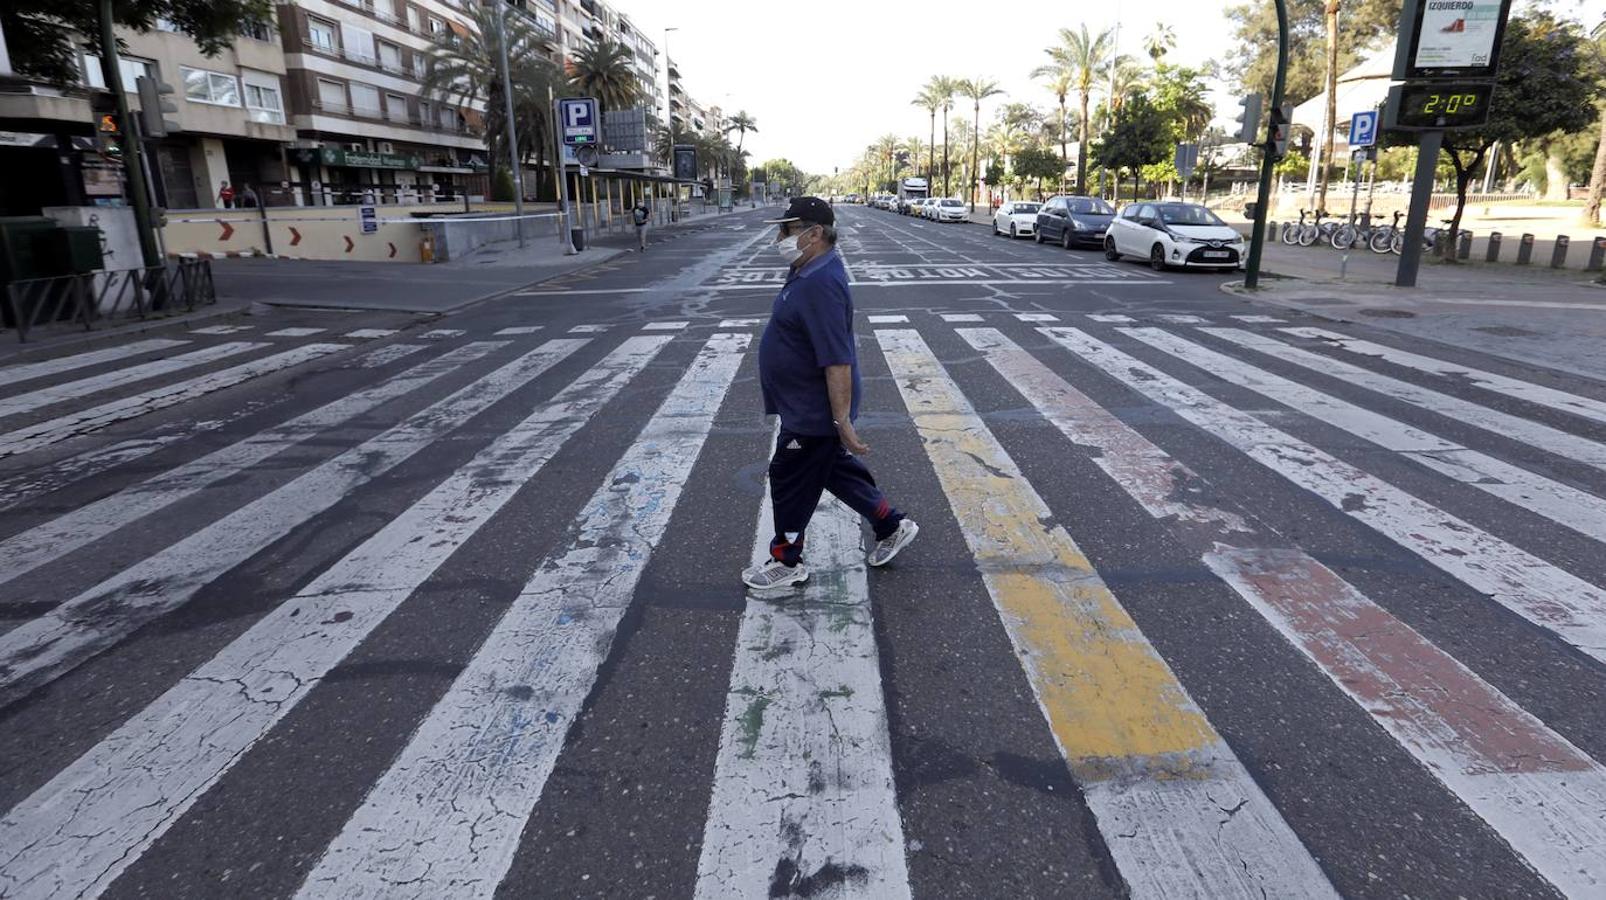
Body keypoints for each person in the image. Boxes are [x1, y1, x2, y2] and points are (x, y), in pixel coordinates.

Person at [742, 196, 918, 590]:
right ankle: (892, 524)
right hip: (805, 405)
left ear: (814, 233)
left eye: (787, 229)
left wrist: (841, 422)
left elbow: (837, 361)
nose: (780, 236)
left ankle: (786, 561)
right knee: (830, 470)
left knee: (788, 476)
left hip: (814, 410)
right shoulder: (808, 268)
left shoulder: (821, 282)